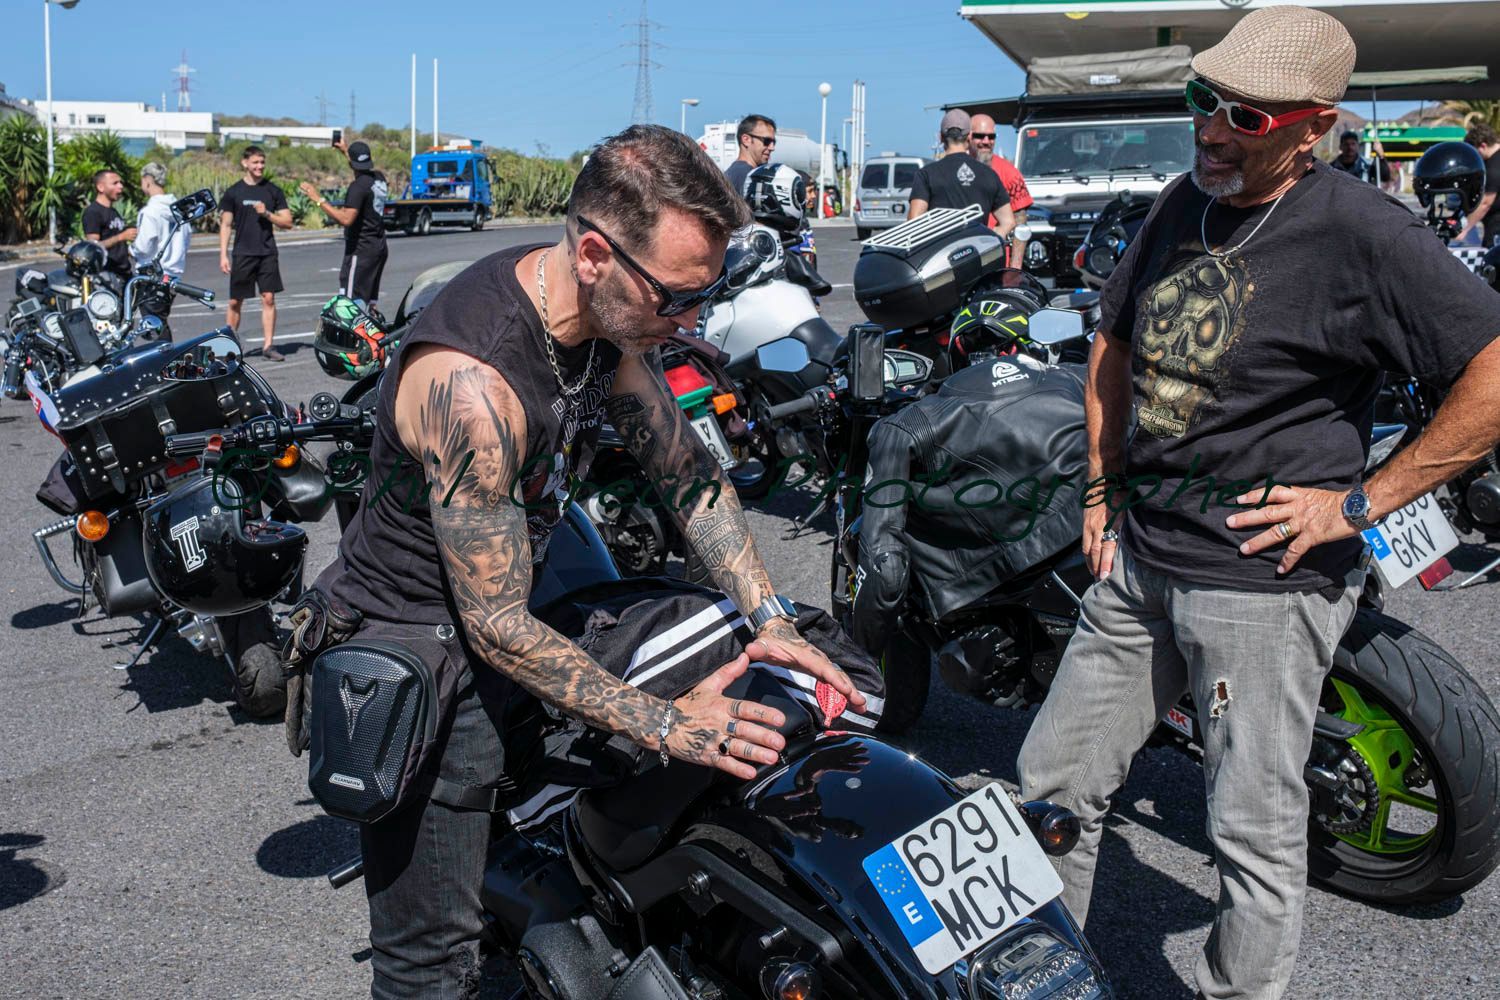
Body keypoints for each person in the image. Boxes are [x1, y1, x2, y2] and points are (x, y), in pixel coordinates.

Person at [1015, 7, 1500, 999]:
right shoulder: (1177, 201)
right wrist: (1102, 487)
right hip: (1142, 558)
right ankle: (1041, 977)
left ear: (1315, 125)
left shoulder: (1366, 232)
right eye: (1204, 100)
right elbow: (1111, 339)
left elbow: (1492, 371)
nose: (1211, 131)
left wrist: (1357, 505)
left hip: (1261, 590)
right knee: (1051, 784)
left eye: (1245, 115)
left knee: (1251, 832)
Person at [321, 124, 868, 998]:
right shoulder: (475, 387)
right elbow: (491, 627)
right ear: (592, 255)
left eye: (706, 293)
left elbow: (686, 475)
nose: (690, 318)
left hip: (508, 605)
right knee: (433, 967)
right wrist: (665, 722)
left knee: (787, 660)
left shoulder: (611, 321)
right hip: (419, 648)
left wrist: (770, 619)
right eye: (678, 297)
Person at [219, 146, 292, 361]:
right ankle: (227, 347)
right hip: (243, 252)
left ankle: (268, 346)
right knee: (235, 301)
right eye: (255, 162)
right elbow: (225, 225)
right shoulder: (234, 192)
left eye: (262, 162)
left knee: (268, 298)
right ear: (245, 163)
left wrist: (267, 213)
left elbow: (287, 221)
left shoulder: (273, 191)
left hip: (267, 252)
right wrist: (223, 254)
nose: (259, 166)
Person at [301, 139, 390, 308]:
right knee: (369, 301)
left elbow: (346, 219)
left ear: (352, 164)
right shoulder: (379, 178)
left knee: (352, 304)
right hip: (378, 246)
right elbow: (358, 164)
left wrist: (318, 199)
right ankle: (372, 332)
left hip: (361, 249)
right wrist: (345, 150)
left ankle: (356, 335)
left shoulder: (357, 187)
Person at [908, 108, 1015, 237]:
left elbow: (914, 223)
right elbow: (1008, 221)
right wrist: (988, 241)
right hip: (976, 252)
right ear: (969, 136)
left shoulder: (926, 174)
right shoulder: (989, 174)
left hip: (941, 253)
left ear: (941, 137)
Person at [968, 112, 1033, 265]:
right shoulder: (957, 170)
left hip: (997, 261)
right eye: (980, 136)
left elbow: (1021, 224)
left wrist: (1015, 268)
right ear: (968, 136)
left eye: (991, 137)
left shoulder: (1010, 173)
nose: (986, 141)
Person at [132, 162, 191, 329]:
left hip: (153, 275)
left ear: (148, 180)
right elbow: (187, 241)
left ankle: (167, 354)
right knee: (162, 318)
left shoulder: (150, 211)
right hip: (174, 273)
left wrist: (131, 249)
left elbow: (143, 246)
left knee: (154, 325)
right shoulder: (179, 210)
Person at [80, 169, 137, 283]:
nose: (120, 186)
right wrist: (121, 237)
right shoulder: (93, 212)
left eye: (120, 183)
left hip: (124, 273)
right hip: (107, 276)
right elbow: (93, 247)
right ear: (100, 187)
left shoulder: (113, 212)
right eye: (115, 183)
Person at [1458, 123, 1500, 247]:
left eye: (1474, 152)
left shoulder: (1495, 167)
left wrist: (1464, 229)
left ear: (1483, 145)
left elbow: (1485, 203)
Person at [724, 114, 776, 194]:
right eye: (767, 141)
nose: (772, 148)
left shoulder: (736, 172)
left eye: (774, 142)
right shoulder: (746, 176)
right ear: (746, 140)